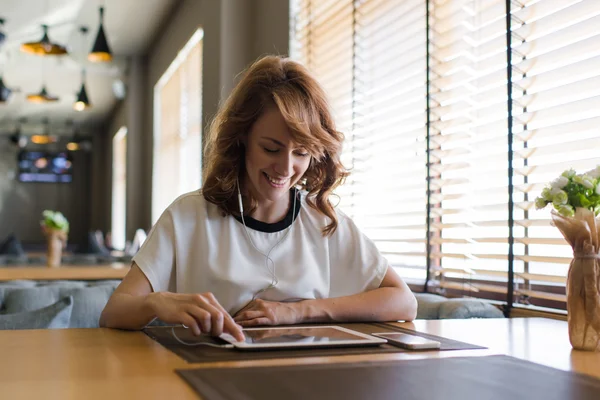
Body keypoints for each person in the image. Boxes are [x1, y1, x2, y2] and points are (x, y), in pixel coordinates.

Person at [100, 55, 417, 341]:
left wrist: (298, 311)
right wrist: (159, 301)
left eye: (301, 152)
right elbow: (115, 312)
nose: (285, 168)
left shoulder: (322, 220)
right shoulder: (188, 215)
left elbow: (403, 300)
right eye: (271, 148)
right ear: (242, 139)